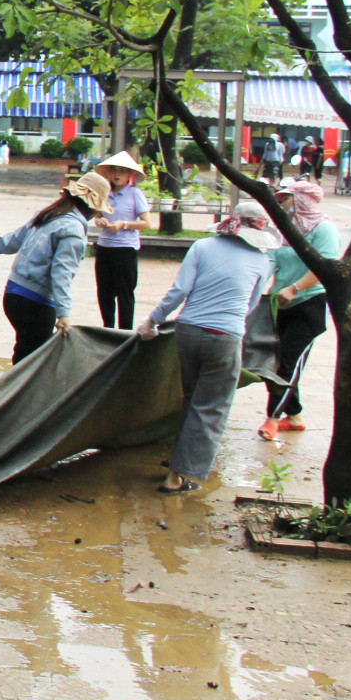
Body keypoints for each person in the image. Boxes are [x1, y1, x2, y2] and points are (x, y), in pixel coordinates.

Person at [137, 202, 279, 493]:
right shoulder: (261, 261)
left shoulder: (202, 246)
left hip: (188, 332)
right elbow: (251, 305)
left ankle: (179, 458)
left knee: (192, 397)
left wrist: (153, 320)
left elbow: (180, 291)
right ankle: (179, 475)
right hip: (225, 337)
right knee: (211, 407)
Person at [0, 171, 111, 363]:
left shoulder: (49, 213)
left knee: (25, 351)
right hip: (36, 302)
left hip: (13, 295)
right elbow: (61, 273)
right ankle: (19, 392)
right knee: (33, 360)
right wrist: (64, 313)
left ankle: (16, 390)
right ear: (92, 207)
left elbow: (17, 237)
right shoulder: (73, 230)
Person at [259, 178, 340, 441]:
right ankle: (294, 417)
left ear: (301, 199)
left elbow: (323, 267)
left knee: (289, 363)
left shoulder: (323, 229)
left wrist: (294, 289)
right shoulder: (286, 227)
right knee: (278, 361)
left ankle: (272, 417)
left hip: (308, 304)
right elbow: (272, 257)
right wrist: (259, 285)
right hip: (279, 303)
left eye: (286, 197)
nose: (281, 202)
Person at [91, 152, 150, 329]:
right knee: (104, 292)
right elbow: (97, 215)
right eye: (114, 171)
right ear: (108, 173)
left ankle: (125, 332)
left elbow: (146, 223)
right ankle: (107, 328)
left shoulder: (135, 194)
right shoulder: (104, 193)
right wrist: (100, 221)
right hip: (104, 247)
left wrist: (124, 224)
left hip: (125, 249)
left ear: (130, 175)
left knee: (124, 293)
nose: (117, 175)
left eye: (122, 171)